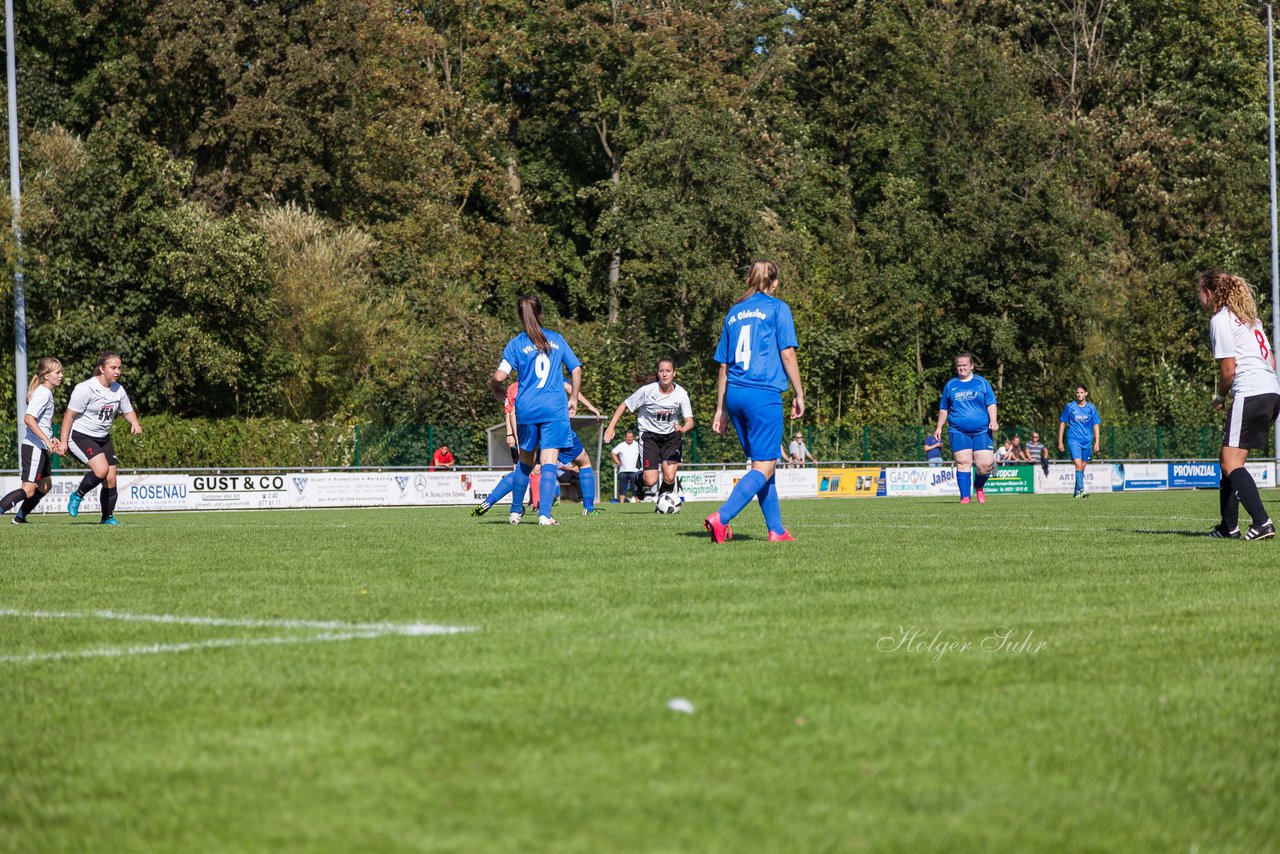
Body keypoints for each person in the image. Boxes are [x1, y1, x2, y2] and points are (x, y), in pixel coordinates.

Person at [705, 260, 805, 543]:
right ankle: (721, 518)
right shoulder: (777, 308)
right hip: (763, 393)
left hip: (736, 394)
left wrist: (720, 408)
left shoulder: (734, 313)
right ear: (773, 282)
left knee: (764, 466)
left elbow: (723, 366)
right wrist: (799, 393)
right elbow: (787, 353)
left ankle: (776, 530)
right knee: (764, 465)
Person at [1198, 271, 1280, 540]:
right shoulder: (1251, 321)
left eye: (1199, 292)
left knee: (1229, 461)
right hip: (1271, 390)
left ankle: (1262, 523)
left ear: (1210, 294)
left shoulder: (1220, 320)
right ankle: (1228, 526)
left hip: (1251, 391)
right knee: (1230, 460)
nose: (1199, 297)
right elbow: (1271, 361)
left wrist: (1220, 397)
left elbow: (1229, 370)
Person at [490, 294, 584, 526]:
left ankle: (514, 512)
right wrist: (573, 398)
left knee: (525, 462)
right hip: (553, 408)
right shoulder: (557, 340)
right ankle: (544, 515)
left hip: (527, 410)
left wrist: (495, 388)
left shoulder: (516, 344)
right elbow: (577, 370)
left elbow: (500, 375)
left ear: (519, 316)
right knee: (549, 461)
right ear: (541, 313)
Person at [60, 351, 143, 525]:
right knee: (101, 470)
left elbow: (127, 410)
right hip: (80, 436)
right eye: (113, 367)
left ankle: (107, 517)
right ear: (101, 368)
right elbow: (68, 415)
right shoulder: (85, 388)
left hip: (103, 437)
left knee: (111, 478)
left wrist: (134, 423)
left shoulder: (118, 389)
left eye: (119, 368)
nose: (117, 371)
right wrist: (63, 441)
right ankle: (77, 496)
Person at [603, 357, 694, 507]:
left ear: (674, 373)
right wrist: (611, 426)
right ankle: (638, 480)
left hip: (672, 437)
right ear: (658, 373)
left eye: (668, 371)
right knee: (650, 481)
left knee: (670, 476)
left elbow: (690, 420)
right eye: (661, 371)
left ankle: (662, 504)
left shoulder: (681, 394)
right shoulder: (647, 391)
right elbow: (624, 405)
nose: (664, 374)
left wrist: (683, 428)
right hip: (650, 437)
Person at [0, 357, 65, 523]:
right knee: (28, 490)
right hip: (34, 447)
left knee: (45, 485)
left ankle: (20, 518)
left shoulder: (45, 392)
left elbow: (40, 423)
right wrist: (47, 440)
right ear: (46, 376)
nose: (61, 375)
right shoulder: (43, 393)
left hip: (40, 446)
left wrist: (51, 438)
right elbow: (29, 419)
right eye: (57, 372)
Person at [932, 353, 998, 504]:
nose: (962, 368)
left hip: (982, 430)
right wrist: (939, 427)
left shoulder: (981, 383)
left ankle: (979, 486)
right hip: (958, 430)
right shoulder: (950, 385)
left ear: (971, 366)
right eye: (959, 365)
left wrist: (993, 420)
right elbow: (944, 408)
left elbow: (991, 403)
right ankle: (965, 497)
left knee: (986, 465)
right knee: (963, 462)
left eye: (964, 365)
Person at [1058, 385, 1101, 499]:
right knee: (1077, 465)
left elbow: (1095, 425)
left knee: (1082, 467)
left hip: (1087, 441)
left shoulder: (1091, 408)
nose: (1079, 394)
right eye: (1077, 392)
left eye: (1081, 392)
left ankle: (1076, 492)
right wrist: (1060, 441)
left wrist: (1097, 442)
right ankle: (1081, 491)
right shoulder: (1070, 407)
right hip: (1074, 440)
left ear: (1086, 393)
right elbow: (1062, 423)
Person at [611, 430, 642, 502]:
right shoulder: (621, 445)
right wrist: (617, 461)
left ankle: (637, 502)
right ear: (625, 437)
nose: (629, 439)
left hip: (635, 470)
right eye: (628, 437)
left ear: (633, 437)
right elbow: (613, 452)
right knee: (622, 487)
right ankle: (621, 503)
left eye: (630, 437)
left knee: (636, 487)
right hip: (623, 470)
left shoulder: (637, 445)